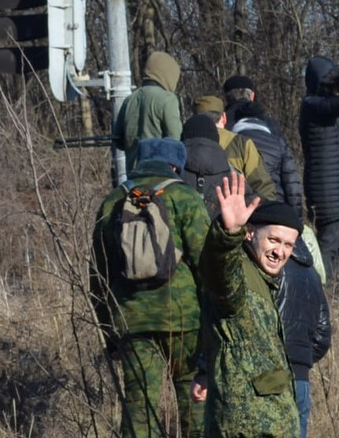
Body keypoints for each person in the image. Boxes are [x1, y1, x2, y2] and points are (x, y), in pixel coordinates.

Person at [90, 138, 210, 438]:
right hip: (185, 321)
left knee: (139, 409)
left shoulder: (113, 200)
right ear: (175, 166)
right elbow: (208, 265)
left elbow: (98, 277)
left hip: (132, 322)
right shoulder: (184, 197)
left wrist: (110, 335)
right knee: (194, 401)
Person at [196, 172, 302, 438]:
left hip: (269, 424)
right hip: (248, 427)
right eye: (274, 240)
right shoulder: (239, 273)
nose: (280, 252)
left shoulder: (263, 279)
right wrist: (228, 233)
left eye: (288, 245)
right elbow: (220, 271)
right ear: (250, 233)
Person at [298, 56, 339, 289]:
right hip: (326, 192)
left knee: (333, 245)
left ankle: (329, 291)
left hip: (333, 189)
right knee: (328, 246)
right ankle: (324, 295)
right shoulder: (314, 105)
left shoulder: (320, 106)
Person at [274, 238, 331, 438]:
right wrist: (301, 357)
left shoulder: (268, 268)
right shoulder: (313, 275)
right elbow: (323, 336)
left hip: (266, 376)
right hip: (301, 379)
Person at [193, 95, 277, 200]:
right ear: (223, 117)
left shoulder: (184, 144)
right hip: (238, 211)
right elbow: (263, 186)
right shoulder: (241, 144)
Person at [231, 101, 304, 219]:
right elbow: (292, 184)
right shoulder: (278, 143)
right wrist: (296, 218)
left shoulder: (231, 143)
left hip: (243, 210)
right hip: (276, 208)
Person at [114, 51, 183, 171]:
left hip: (133, 174)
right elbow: (175, 139)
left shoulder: (129, 100)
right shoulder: (167, 99)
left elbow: (118, 139)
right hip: (158, 174)